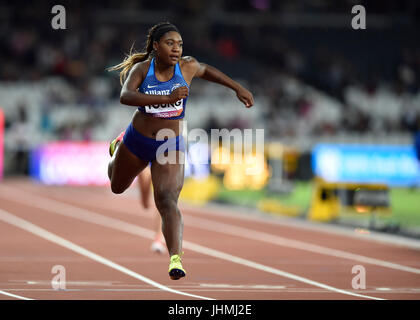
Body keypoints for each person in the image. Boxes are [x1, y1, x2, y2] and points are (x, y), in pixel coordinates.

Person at [107, 22, 254, 280]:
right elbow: (125, 96)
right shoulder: (143, 69)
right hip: (138, 139)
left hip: (169, 143)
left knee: (166, 199)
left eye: (180, 44)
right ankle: (119, 145)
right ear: (156, 46)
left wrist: (236, 88)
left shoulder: (186, 67)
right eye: (170, 43)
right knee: (117, 187)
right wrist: (166, 99)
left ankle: (176, 258)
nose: (176, 49)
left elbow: (206, 70)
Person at [137, 166, 166, 254]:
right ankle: (144, 199)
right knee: (145, 204)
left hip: (162, 156)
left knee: (163, 198)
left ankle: (158, 238)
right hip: (145, 160)